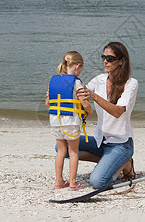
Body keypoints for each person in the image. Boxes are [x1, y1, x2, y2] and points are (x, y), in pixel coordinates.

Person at [76, 42, 138, 189]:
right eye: (103, 57)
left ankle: (124, 162)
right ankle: (114, 162)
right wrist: (58, 90)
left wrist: (94, 97)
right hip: (100, 140)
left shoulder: (131, 84)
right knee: (62, 146)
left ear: (121, 61)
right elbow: (79, 91)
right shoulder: (99, 80)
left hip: (121, 144)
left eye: (110, 58)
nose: (105, 61)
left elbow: (117, 112)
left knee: (97, 182)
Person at [45, 51, 92, 191]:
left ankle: (59, 181)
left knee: (60, 151)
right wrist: (89, 112)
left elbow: (48, 103)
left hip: (55, 121)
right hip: (70, 122)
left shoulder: (53, 80)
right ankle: (73, 183)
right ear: (77, 66)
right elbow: (85, 104)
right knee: (73, 152)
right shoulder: (76, 82)